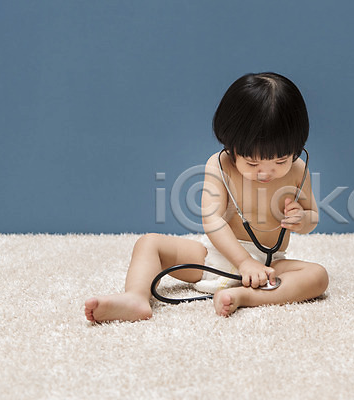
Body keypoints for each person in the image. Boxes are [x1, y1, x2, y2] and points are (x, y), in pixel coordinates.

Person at [84, 72, 328, 321]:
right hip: (214, 258)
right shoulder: (220, 166)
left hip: (268, 266)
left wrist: (302, 219)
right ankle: (135, 297)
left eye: (280, 161)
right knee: (149, 243)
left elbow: (311, 216)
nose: (265, 172)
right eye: (252, 163)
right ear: (231, 147)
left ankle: (245, 297)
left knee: (318, 276)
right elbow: (212, 220)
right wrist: (243, 262)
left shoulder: (298, 170)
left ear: (296, 148)